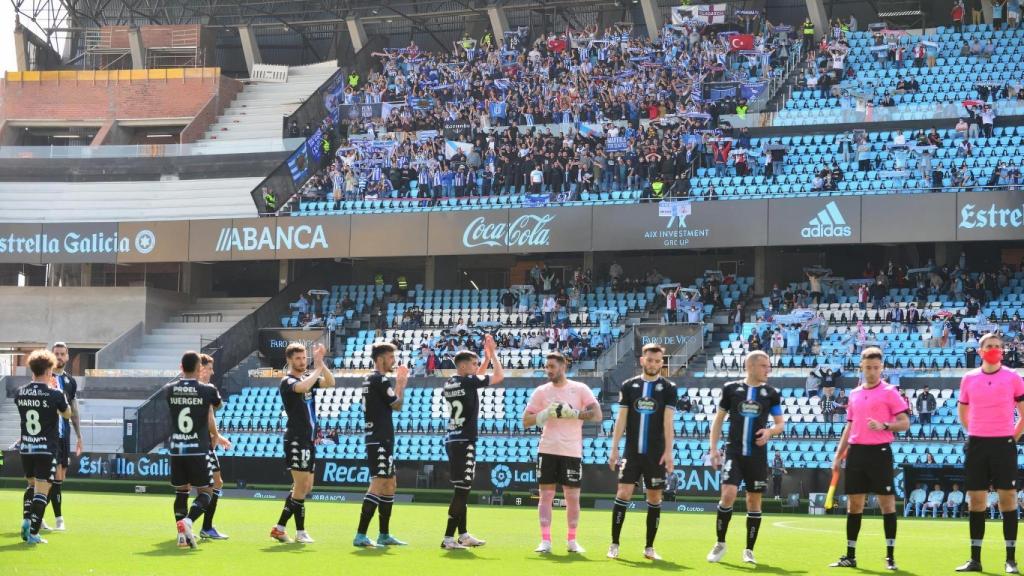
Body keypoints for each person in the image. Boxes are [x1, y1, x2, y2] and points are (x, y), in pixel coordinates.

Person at [826, 347, 909, 570]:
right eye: (868, 367)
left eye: (876, 367)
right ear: (861, 366)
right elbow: (850, 425)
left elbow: (905, 422)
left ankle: (890, 557)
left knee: (887, 504)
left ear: (881, 368)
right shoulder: (854, 394)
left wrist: (885, 425)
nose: (872, 371)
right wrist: (838, 454)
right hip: (856, 453)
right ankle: (850, 555)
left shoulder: (890, 391)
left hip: (880, 452)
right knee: (854, 505)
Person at [707, 351, 786, 565]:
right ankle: (720, 543)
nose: (768, 369)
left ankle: (749, 550)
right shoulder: (731, 389)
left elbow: (780, 424)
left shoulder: (771, 393)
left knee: (754, 500)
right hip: (734, 452)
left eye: (768, 366)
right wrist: (713, 448)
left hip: (757, 456)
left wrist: (770, 432)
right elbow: (718, 420)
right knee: (728, 494)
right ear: (750, 366)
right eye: (763, 366)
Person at [955, 333, 1024, 573]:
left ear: (1002, 351)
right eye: (989, 346)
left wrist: (1010, 438)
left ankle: (1011, 559)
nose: (994, 349)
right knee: (976, 501)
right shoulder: (969, 378)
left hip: (1003, 445)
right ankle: (975, 559)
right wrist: (975, 430)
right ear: (981, 350)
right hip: (977, 445)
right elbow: (962, 411)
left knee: (1007, 500)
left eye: (997, 346)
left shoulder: (1013, 377)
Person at [522, 352, 602, 554]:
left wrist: (574, 413)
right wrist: (544, 413)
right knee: (546, 496)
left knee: (572, 498)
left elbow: (597, 415)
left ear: (563, 366)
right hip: (547, 449)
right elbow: (525, 421)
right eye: (546, 366)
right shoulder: (541, 391)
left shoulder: (579, 389)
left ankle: (572, 541)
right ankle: (545, 541)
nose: (548, 370)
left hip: (572, 451)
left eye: (552, 366)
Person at [607, 343, 678, 561]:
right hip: (632, 452)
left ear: (662, 363)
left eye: (658, 361)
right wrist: (614, 447)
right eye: (650, 360)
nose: (654, 364)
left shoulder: (669, 388)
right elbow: (622, 419)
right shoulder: (629, 386)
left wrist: (669, 452)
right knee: (623, 494)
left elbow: (668, 423)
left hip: (655, 454)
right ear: (642, 361)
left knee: (655, 497)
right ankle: (614, 544)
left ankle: (649, 547)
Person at [440, 336, 505, 549]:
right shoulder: (467, 381)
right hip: (464, 441)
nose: (477, 366)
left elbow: (476, 378)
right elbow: (498, 376)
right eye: (474, 363)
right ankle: (449, 538)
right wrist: (493, 355)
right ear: (463, 365)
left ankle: (464, 535)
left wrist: (484, 359)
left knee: (462, 489)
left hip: (452, 439)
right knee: (462, 490)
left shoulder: (451, 382)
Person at [269, 343, 335, 544]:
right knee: (300, 486)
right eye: (298, 358)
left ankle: (287, 530)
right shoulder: (287, 381)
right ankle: (292, 530)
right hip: (296, 439)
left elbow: (331, 383)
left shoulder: (308, 378)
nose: (302, 361)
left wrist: (321, 363)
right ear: (289, 360)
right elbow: (304, 387)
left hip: (309, 440)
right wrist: (315, 369)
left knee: (305, 487)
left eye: (304, 357)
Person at [163, 351, 222, 550]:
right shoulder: (208, 389)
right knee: (206, 491)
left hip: (177, 450)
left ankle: (182, 537)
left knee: (181, 492)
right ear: (199, 369)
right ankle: (188, 522)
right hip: (198, 449)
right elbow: (217, 404)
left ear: (181, 367)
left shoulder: (169, 389)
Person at [354, 342, 409, 548]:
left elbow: (390, 402)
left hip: (380, 437)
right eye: (390, 357)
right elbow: (397, 405)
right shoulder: (379, 378)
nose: (393, 360)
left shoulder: (371, 379)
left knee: (390, 484)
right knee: (378, 483)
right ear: (380, 359)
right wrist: (401, 383)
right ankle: (360, 535)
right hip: (379, 438)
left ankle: (384, 534)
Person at [16, 349, 73, 545]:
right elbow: (67, 414)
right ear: (49, 371)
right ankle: (32, 533)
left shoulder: (20, 392)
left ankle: (25, 518)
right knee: (43, 490)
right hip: (46, 448)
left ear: (32, 370)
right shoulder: (55, 393)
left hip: (26, 448)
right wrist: (59, 396)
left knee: (31, 485)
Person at [48, 342, 81, 532]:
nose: (59, 357)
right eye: (56, 354)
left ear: (67, 357)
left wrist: (79, 436)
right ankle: (58, 519)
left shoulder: (70, 382)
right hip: (48, 436)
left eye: (62, 354)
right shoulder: (45, 377)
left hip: (64, 435)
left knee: (60, 477)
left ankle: (40, 516)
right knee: (49, 478)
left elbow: (74, 411)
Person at [198, 354, 231, 540]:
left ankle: (201, 526)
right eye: (209, 368)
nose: (212, 372)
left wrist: (218, 436)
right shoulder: (205, 390)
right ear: (200, 368)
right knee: (212, 485)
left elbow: (209, 417)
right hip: (201, 444)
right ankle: (196, 525)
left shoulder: (190, 389)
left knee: (208, 485)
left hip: (199, 442)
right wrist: (215, 436)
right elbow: (209, 416)